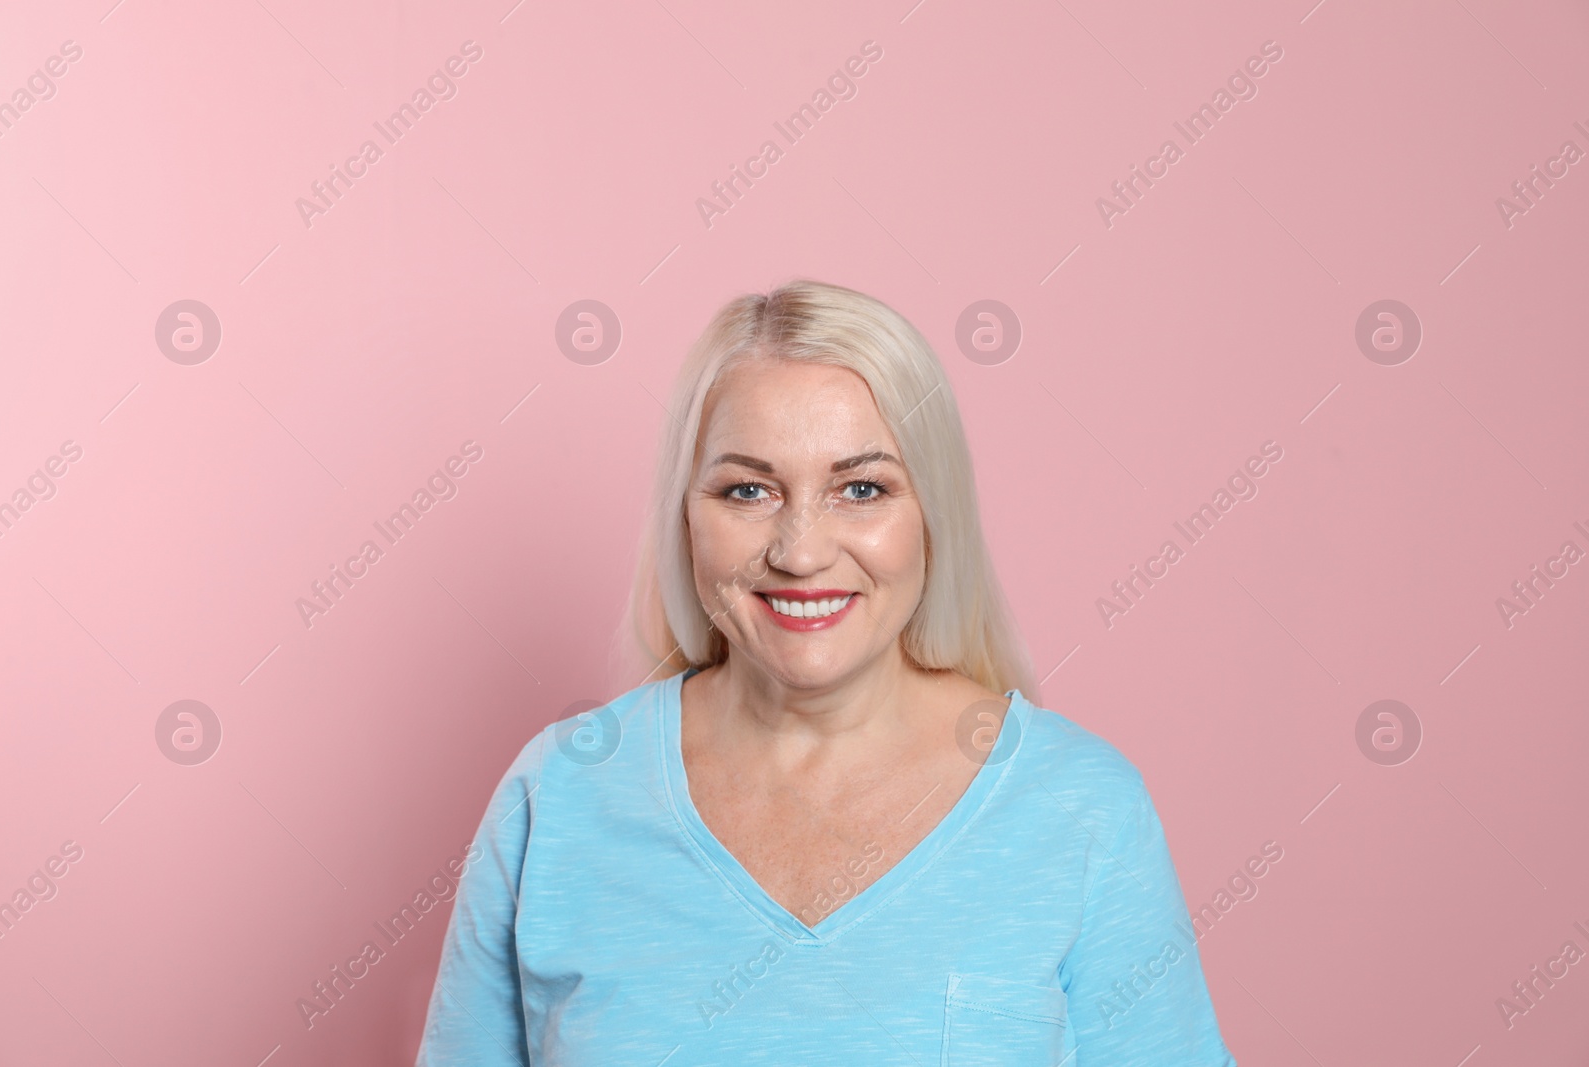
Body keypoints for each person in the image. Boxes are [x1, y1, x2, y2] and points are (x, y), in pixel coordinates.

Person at [415, 279, 1237, 1065]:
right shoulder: (558, 797)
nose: (801, 552)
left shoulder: (1082, 809)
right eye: (747, 490)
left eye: (861, 487)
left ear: (931, 514)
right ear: (686, 518)